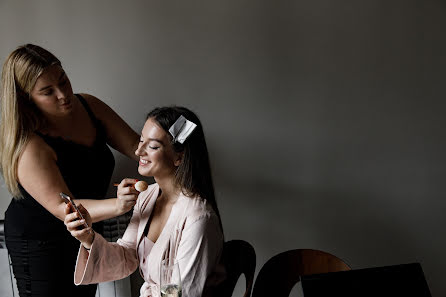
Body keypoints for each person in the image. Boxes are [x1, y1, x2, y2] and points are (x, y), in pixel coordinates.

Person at [0, 44, 141, 297]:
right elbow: (65, 208)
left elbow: (135, 145)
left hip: (85, 230)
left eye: (63, 81)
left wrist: (173, 144)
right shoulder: (29, 146)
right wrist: (119, 206)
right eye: (47, 92)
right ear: (26, 97)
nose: (63, 95)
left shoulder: (89, 106)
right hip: (40, 242)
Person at [64, 106, 225, 297]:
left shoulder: (198, 218)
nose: (139, 151)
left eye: (153, 146)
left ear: (179, 157)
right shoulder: (147, 196)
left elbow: (181, 293)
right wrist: (88, 238)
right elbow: (127, 256)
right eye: (141, 141)